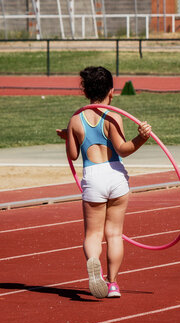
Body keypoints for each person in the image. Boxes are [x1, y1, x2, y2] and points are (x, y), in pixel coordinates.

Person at [56, 66, 151, 299]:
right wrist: (141, 138)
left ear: (85, 91)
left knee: (92, 235)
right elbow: (123, 149)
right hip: (116, 176)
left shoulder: (76, 119)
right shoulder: (112, 116)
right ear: (112, 91)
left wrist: (69, 135)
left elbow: (73, 155)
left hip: (93, 177)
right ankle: (113, 285)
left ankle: (92, 262)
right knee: (115, 234)